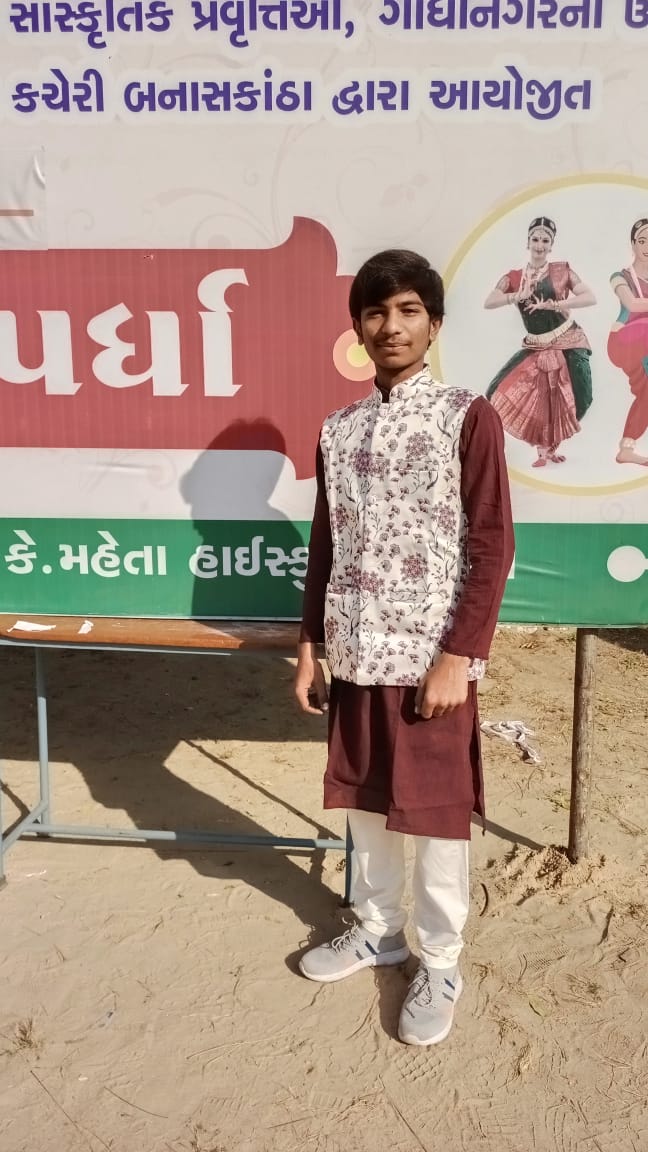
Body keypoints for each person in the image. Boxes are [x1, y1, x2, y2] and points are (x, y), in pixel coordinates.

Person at [294, 249, 514, 1047]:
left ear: (434, 324)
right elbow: (326, 545)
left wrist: (460, 653)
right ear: (358, 327)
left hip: (431, 662)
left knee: (437, 816)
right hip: (357, 653)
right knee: (365, 802)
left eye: (409, 309)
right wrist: (311, 643)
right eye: (377, 311)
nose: (392, 325)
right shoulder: (339, 428)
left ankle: (441, 960)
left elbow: (491, 542)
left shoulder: (465, 416)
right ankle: (378, 929)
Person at [484, 216, 595, 468]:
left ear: (551, 245)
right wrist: (516, 296)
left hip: (569, 340)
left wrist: (556, 304)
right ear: (528, 242)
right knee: (498, 389)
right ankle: (543, 450)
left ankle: (552, 445)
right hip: (536, 344)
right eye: (535, 239)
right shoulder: (514, 277)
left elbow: (590, 297)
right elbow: (489, 301)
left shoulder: (562, 272)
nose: (540, 245)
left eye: (545, 240)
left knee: (582, 396)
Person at [607, 217, 648, 466]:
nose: (647, 246)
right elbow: (632, 304)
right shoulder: (620, 276)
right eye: (642, 240)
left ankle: (626, 449)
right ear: (633, 244)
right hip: (624, 341)